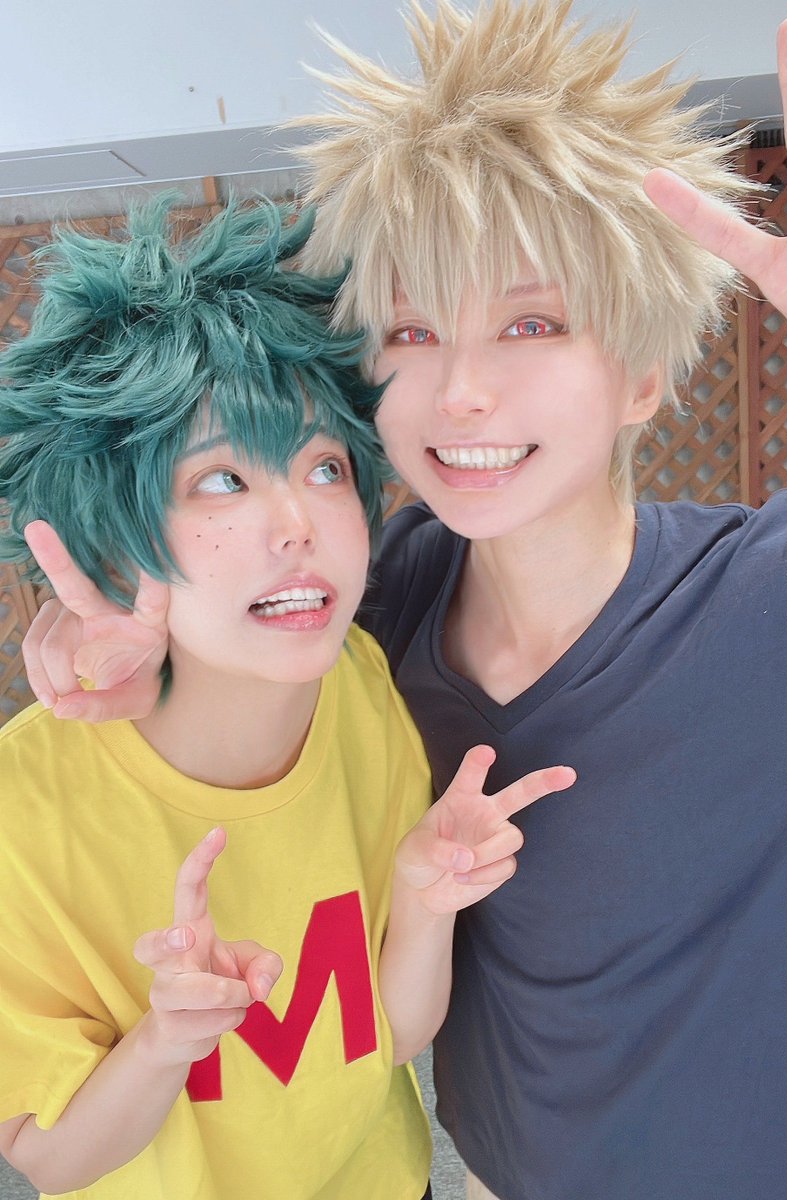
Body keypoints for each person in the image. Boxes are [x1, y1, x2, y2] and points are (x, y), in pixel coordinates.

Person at [18, 2, 787, 1198]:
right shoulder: (377, 609)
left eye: (529, 322)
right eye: (412, 328)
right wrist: (113, 625)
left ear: (641, 372)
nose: (460, 388)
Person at [0, 195, 572, 1200]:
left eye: (324, 466)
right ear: (112, 542)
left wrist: (423, 901)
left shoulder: (362, 686)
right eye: (221, 481)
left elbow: (388, 1037)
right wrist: (166, 1040)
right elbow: (48, 1156)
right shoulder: (26, 809)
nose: (297, 520)